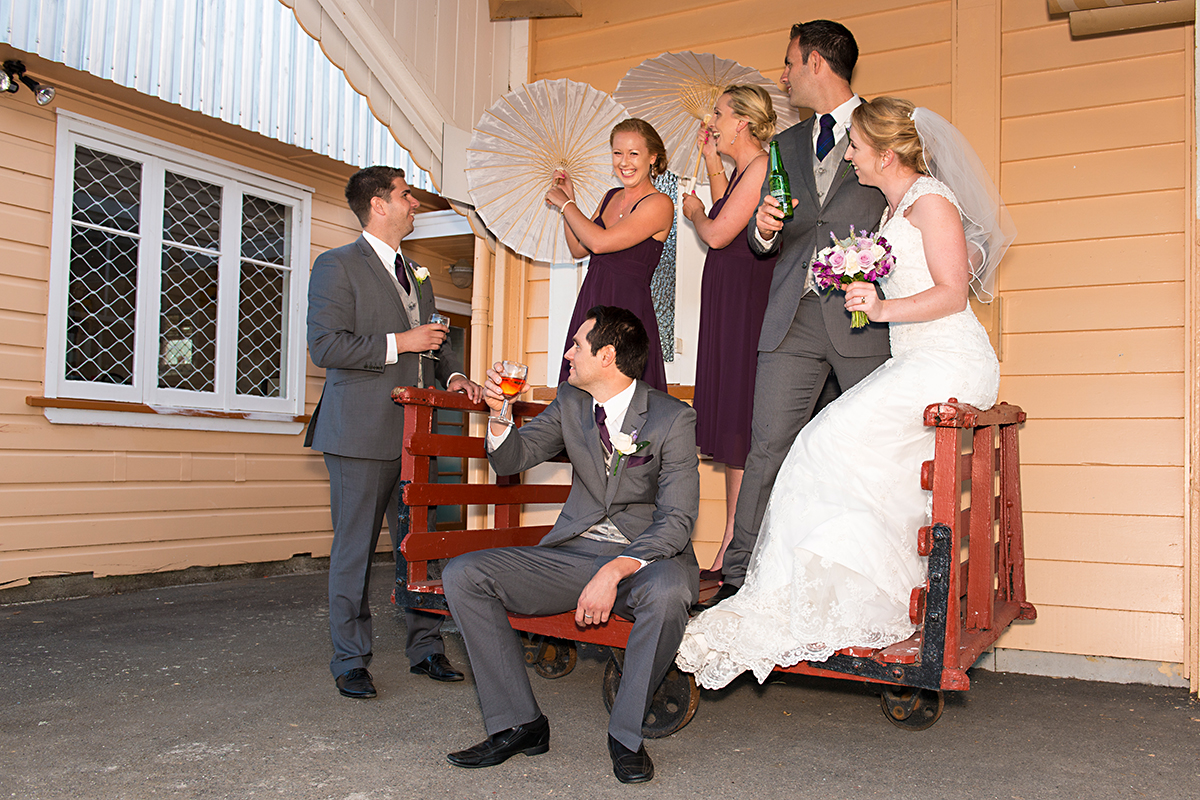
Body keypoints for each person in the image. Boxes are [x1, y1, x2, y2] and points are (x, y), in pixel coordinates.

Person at [676, 96, 1014, 688]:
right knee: (838, 456)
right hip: (913, 358)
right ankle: (857, 595)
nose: (850, 156)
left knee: (821, 445)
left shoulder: (931, 202)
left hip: (948, 360)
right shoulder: (894, 208)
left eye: (856, 147)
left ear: (885, 153)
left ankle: (848, 599)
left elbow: (954, 293)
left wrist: (881, 306)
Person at [442, 306, 699, 784]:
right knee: (463, 573)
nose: (567, 353)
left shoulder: (672, 418)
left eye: (577, 345)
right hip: (574, 555)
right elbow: (512, 460)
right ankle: (519, 723)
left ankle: (625, 736)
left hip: (649, 559)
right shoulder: (570, 402)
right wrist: (500, 412)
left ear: (606, 355)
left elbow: (677, 521)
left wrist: (615, 569)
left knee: (667, 595)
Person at [700, 20, 890, 609]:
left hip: (864, 319)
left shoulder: (886, 129)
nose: (782, 77)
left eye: (787, 64)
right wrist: (761, 232)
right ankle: (738, 578)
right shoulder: (783, 145)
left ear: (815, 63)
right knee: (768, 446)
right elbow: (767, 244)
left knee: (864, 452)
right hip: (791, 317)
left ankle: (863, 584)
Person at [305, 166, 483, 699]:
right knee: (354, 551)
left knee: (420, 548)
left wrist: (454, 373)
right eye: (407, 195)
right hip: (359, 433)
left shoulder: (419, 273)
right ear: (379, 205)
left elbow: (435, 341)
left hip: (417, 436)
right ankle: (350, 660)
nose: (416, 204)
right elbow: (327, 347)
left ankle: (426, 647)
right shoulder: (335, 266)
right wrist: (400, 342)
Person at [680, 85, 778, 579]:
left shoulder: (761, 164)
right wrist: (709, 158)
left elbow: (717, 231)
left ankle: (732, 550)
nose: (712, 120)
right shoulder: (746, 169)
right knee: (732, 426)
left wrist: (694, 213)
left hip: (745, 300)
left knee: (739, 422)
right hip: (728, 296)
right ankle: (732, 544)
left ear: (742, 121)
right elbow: (729, 210)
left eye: (719, 114)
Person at [547, 119, 674, 392]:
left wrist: (566, 205)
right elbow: (579, 247)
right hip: (592, 302)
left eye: (634, 154)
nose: (624, 162)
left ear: (653, 157)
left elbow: (600, 242)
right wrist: (570, 200)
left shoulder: (660, 203)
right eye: (618, 153)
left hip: (627, 309)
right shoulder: (609, 197)